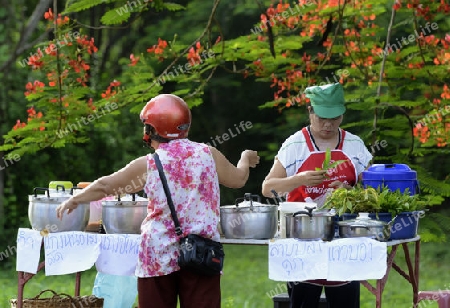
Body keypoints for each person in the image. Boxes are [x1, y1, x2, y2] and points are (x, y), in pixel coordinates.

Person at [56, 93, 260, 308]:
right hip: (201, 254)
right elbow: (239, 179)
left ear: (151, 130)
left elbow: (106, 185)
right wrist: (245, 158)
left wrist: (76, 199)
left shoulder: (149, 163)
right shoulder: (208, 154)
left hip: (157, 255)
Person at [261, 83, 372, 308]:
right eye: (322, 117)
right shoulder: (295, 145)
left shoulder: (355, 145)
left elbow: (372, 191)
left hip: (344, 240)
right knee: (303, 301)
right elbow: (267, 188)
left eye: (335, 118)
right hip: (303, 239)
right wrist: (299, 180)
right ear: (310, 112)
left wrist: (351, 192)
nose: (328, 124)